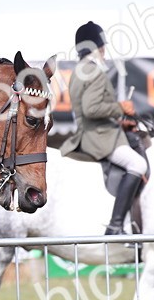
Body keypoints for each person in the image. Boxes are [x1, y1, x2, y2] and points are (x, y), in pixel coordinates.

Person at [58, 21, 148, 238]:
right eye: (102, 47)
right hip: (99, 138)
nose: (104, 52)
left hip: (95, 131)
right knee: (138, 163)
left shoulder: (79, 71)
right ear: (95, 48)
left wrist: (119, 120)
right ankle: (116, 225)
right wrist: (121, 107)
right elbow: (91, 108)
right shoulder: (94, 72)